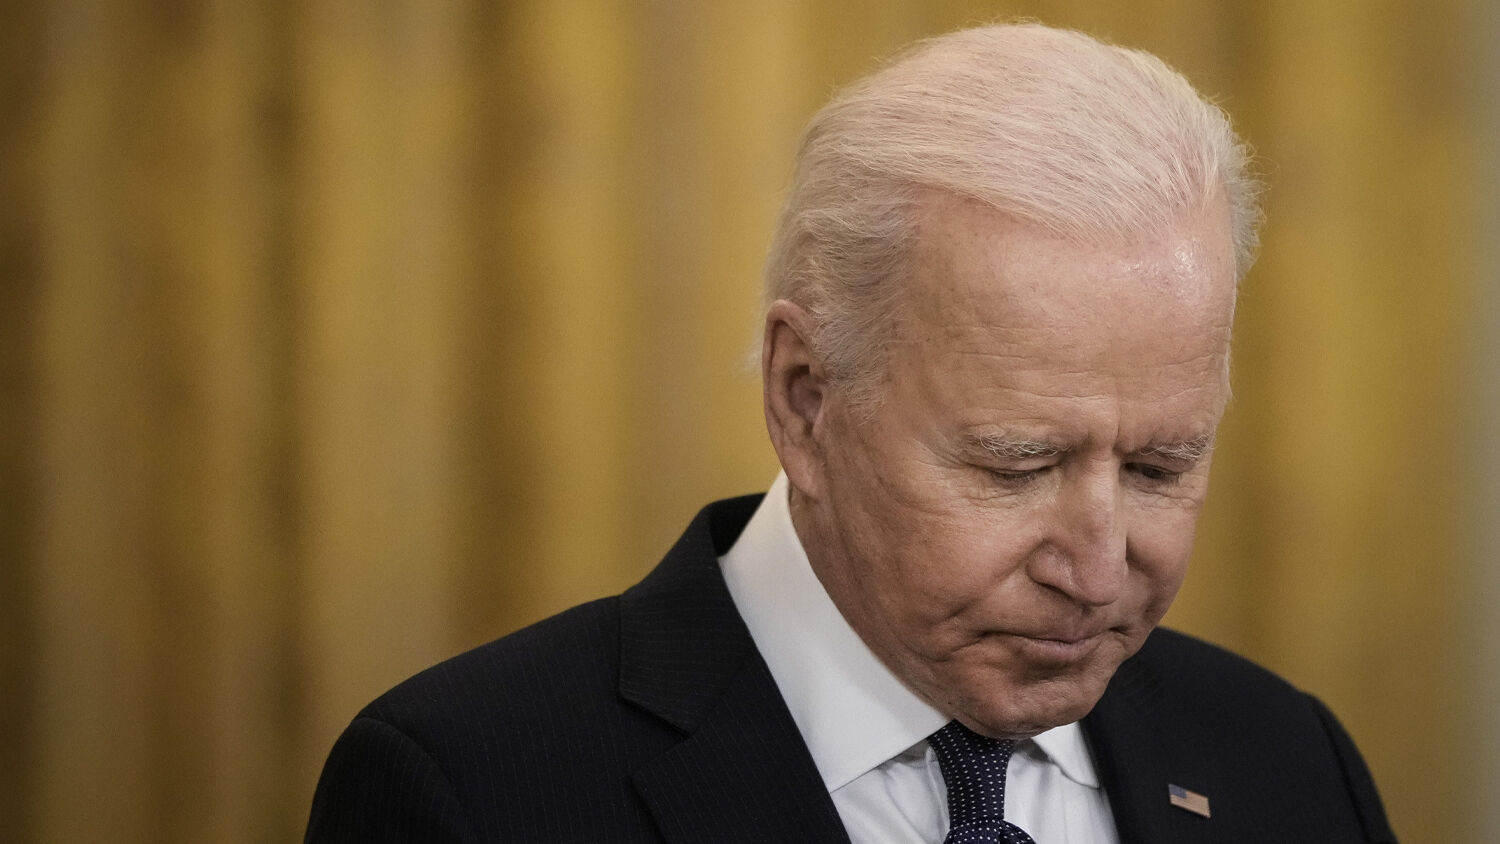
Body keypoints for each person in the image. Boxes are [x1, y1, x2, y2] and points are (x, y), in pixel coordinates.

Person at [306, 22, 1397, 843]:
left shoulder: (1290, 762)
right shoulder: (469, 788)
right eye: (1017, 465)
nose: (1100, 569)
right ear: (805, 398)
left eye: (1160, 467)